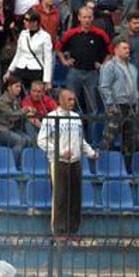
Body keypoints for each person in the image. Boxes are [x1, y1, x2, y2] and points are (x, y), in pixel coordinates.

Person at [37, 89, 98, 237]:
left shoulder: (76, 117)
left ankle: (73, 230)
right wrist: (58, 151)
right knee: (60, 197)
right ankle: (59, 231)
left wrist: (90, 152)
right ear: (61, 100)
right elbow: (41, 140)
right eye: (69, 99)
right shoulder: (51, 118)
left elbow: (80, 139)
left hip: (75, 161)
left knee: (75, 197)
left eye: (73, 99)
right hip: (59, 162)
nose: (72, 102)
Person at [56, 6, 113, 125]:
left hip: (92, 73)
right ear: (79, 18)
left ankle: (92, 141)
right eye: (84, 17)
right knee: (69, 104)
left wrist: (103, 65)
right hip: (74, 72)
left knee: (93, 107)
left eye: (89, 17)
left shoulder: (100, 34)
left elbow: (110, 52)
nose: (87, 20)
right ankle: (72, 135)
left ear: (93, 18)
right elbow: (58, 48)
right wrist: (64, 61)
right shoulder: (71, 34)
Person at [98, 39, 139, 171]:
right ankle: (104, 167)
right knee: (109, 138)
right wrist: (110, 105)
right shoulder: (110, 66)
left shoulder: (132, 67)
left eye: (128, 48)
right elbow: (104, 86)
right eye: (124, 48)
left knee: (131, 140)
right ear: (115, 49)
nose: (127, 51)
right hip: (117, 105)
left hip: (131, 106)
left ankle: (127, 169)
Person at [6, 9, 54, 89]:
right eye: (24, 19)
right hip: (21, 68)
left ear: (35, 22)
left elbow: (48, 59)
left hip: (35, 69)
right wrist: (9, 70)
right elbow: (18, 54)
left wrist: (47, 80)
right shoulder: (23, 34)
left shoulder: (45, 36)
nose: (24, 21)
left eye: (27, 20)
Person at [0, 78, 35, 168]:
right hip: (0, 130)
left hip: (12, 128)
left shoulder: (16, 100)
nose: (19, 89)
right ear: (9, 87)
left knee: (29, 140)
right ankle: (14, 166)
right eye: (17, 86)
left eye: (20, 86)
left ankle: (25, 165)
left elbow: (18, 115)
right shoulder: (2, 101)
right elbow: (11, 116)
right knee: (20, 141)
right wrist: (24, 111)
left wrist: (29, 112)